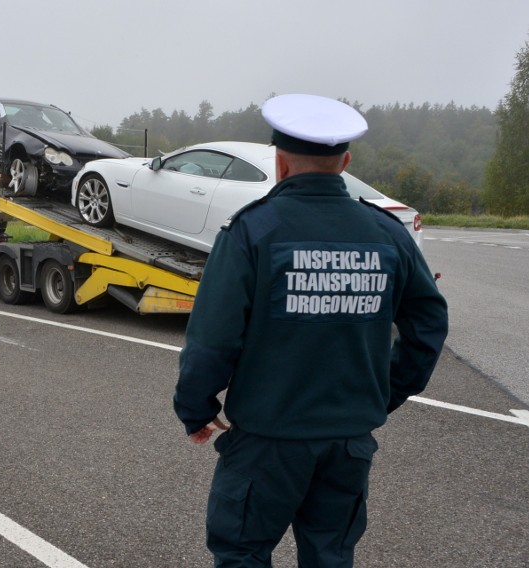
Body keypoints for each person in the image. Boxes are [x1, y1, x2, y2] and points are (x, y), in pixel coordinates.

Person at [173, 94, 449, 568]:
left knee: (242, 551)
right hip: (348, 440)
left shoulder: (253, 232)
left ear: (280, 162)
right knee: (331, 554)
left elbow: (213, 339)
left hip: (267, 440)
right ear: (345, 160)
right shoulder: (387, 234)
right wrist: (384, 391)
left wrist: (195, 407)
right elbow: (428, 324)